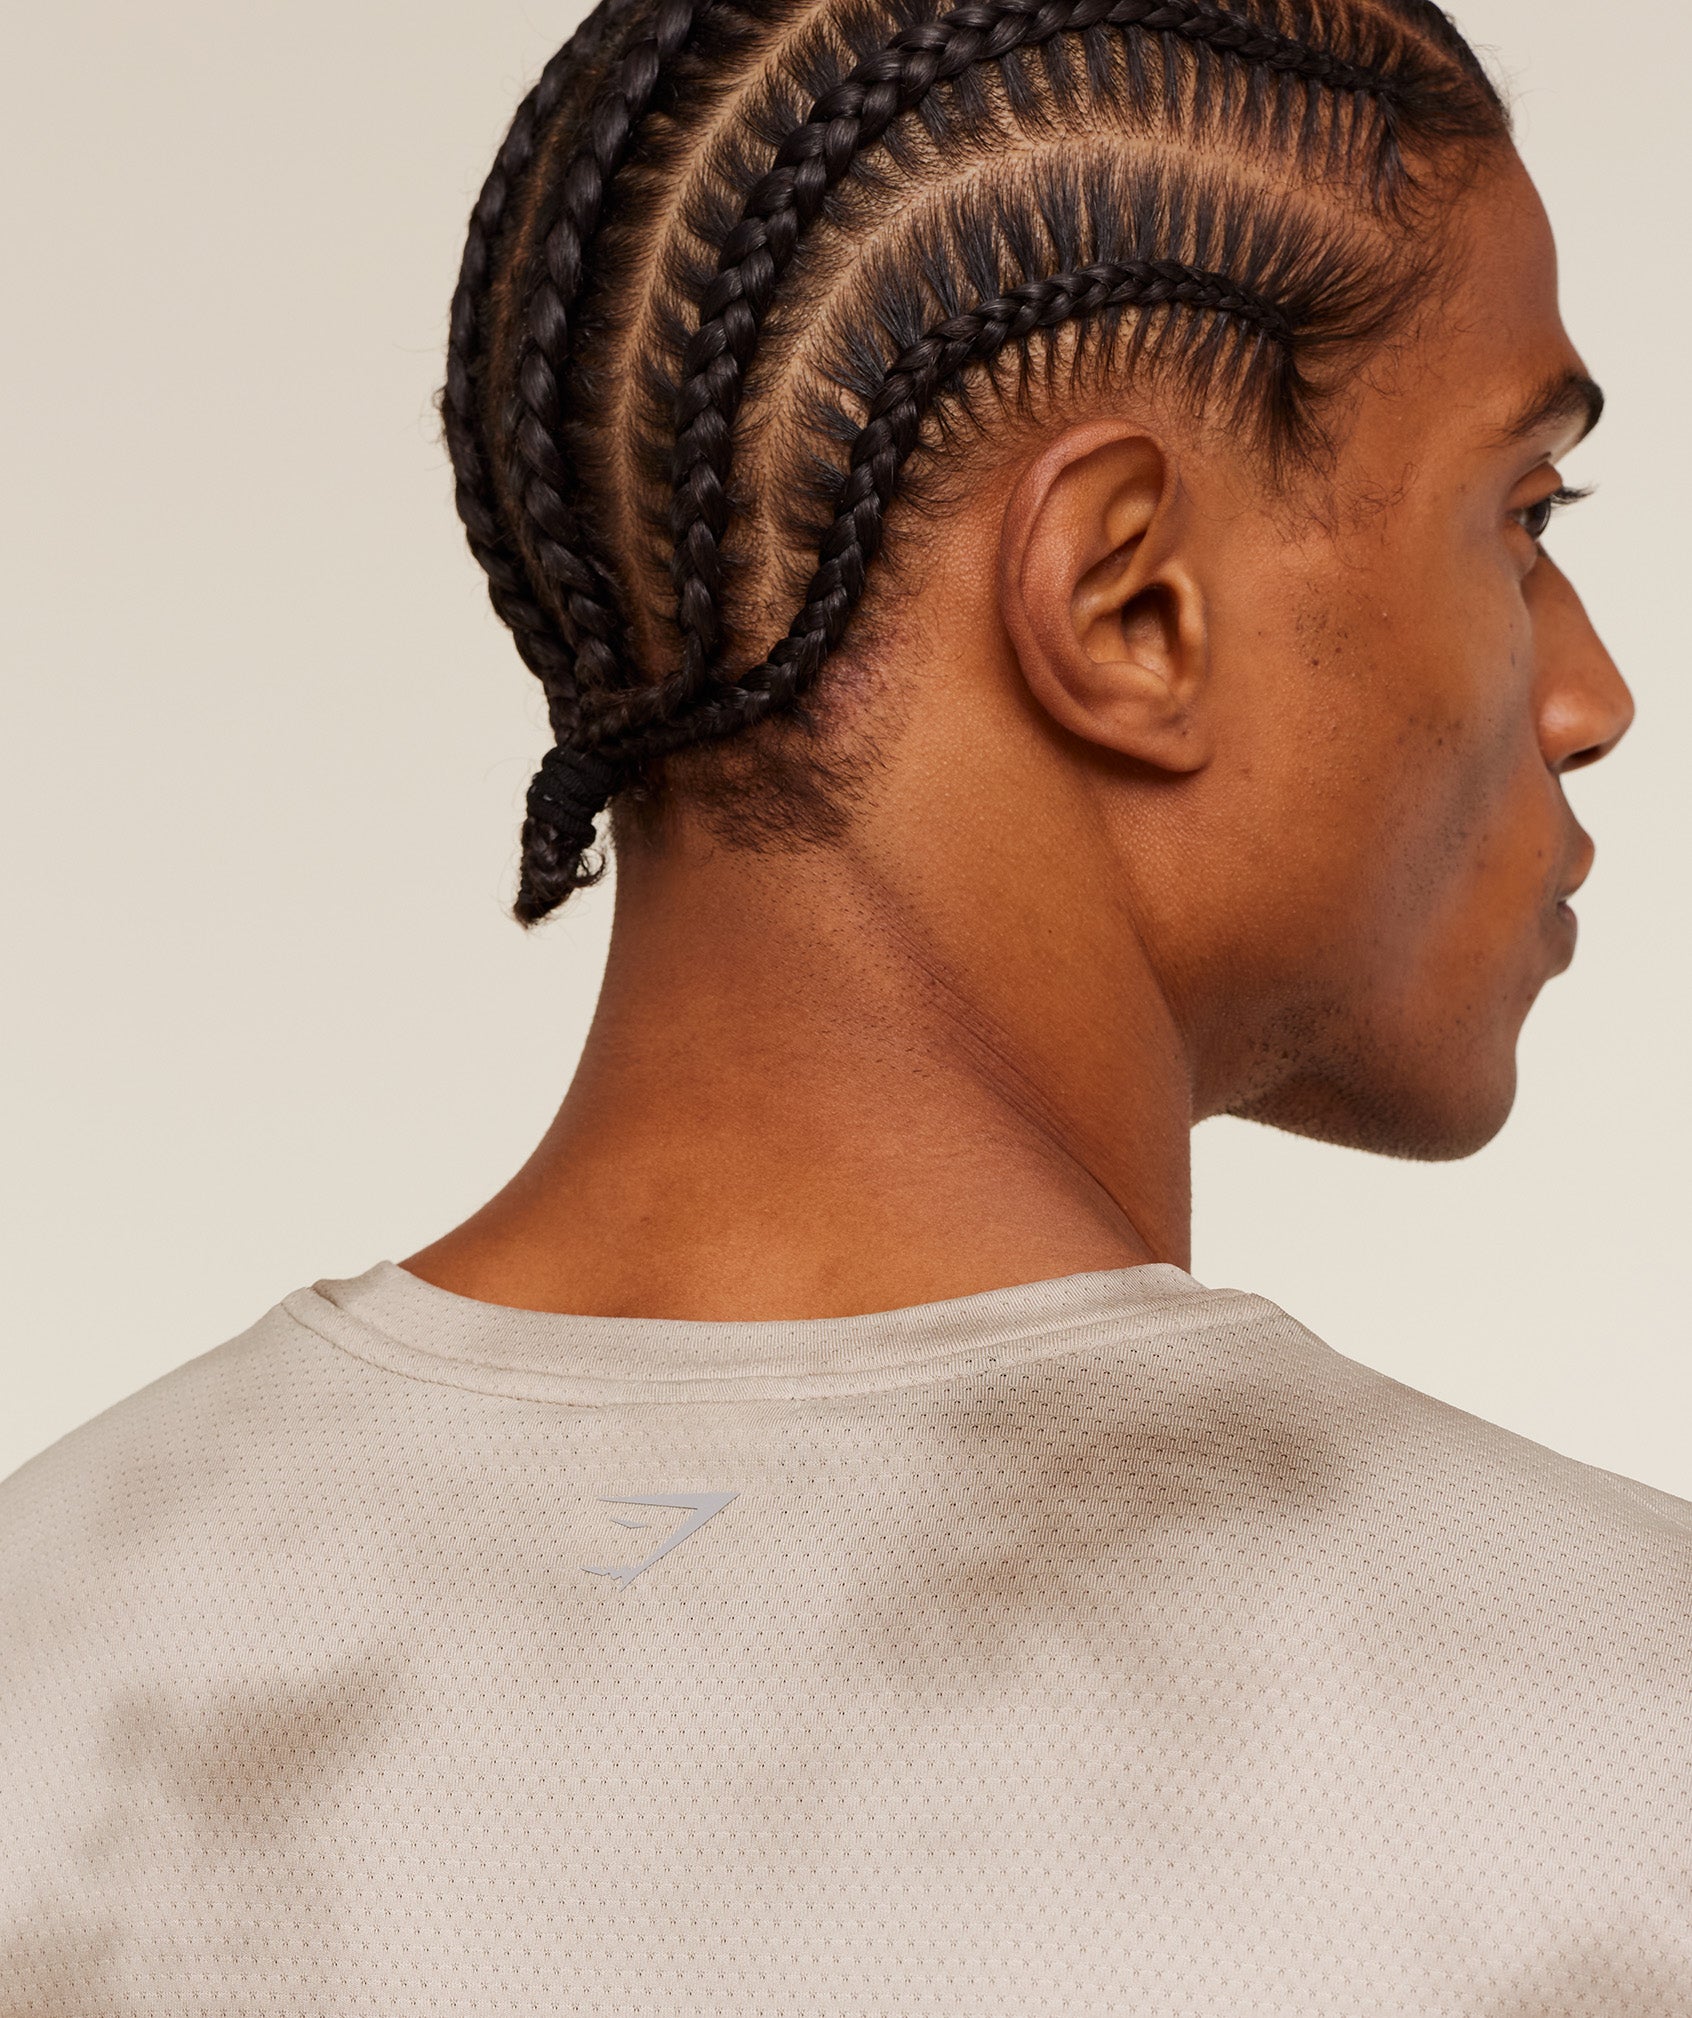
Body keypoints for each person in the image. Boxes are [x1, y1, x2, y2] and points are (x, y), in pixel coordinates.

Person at [2, 0, 1686, 2010]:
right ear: (1129, 601)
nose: (1590, 695)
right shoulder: (1622, 1746)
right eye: (1525, 517)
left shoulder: (50, 1658)